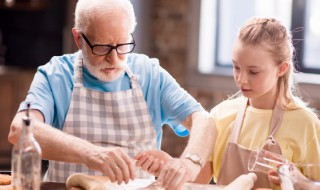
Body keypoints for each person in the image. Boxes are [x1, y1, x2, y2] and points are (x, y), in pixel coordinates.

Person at [7, 0, 216, 185]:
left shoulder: (150, 74)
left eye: (123, 45)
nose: (114, 59)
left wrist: (189, 163)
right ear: (79, 39)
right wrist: (90, 153)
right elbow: (19, 130)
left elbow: (203, 121)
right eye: (102, 47)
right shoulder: (56, 75)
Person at [135, 17, 320, 189]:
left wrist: (302, 182)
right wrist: (168, 166)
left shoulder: (306, 124)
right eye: (236, 67)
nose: (242, 80)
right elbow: (199, 180)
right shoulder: (221, 115)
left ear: (282, 68)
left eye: (253, 72)